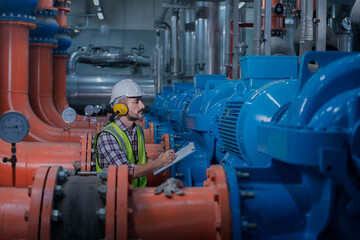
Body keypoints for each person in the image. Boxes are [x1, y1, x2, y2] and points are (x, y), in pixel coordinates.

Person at [94, 79, 176, 187]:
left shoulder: (138, 130)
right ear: (121, 108)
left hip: (136, 193)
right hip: (114, 198)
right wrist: (159, 162)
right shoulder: (108, 136)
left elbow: (139, 158)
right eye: (136, 102)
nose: (142, 106)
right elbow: (126, 171)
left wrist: (158, 160)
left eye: (141, 100)